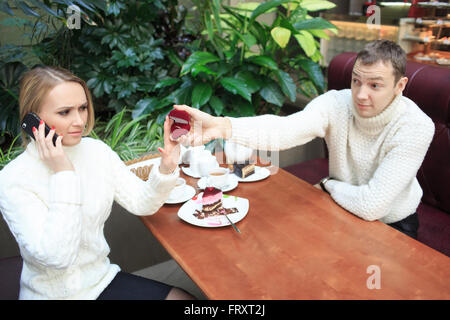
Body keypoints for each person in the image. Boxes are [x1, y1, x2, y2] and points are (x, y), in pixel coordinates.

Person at [173, 40, 435, 240]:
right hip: (341, 208)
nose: (361, 94)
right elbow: (285, 129)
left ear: (400, 86)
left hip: (392, 223)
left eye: (375, 85)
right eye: (356, 81)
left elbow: (371, 206)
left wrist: (330, 185)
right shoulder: (337, 102)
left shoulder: (415, 126)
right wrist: (222, 126)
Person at [0, 66, 194, 300]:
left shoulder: (97, 152)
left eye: (82, 108)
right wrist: (63, 172)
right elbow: (58, 258)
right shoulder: (12, 179)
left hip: (100, 281)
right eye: (65, 112)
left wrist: (166, 167)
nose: (79, 120)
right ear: (34, 119)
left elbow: (142, 203)